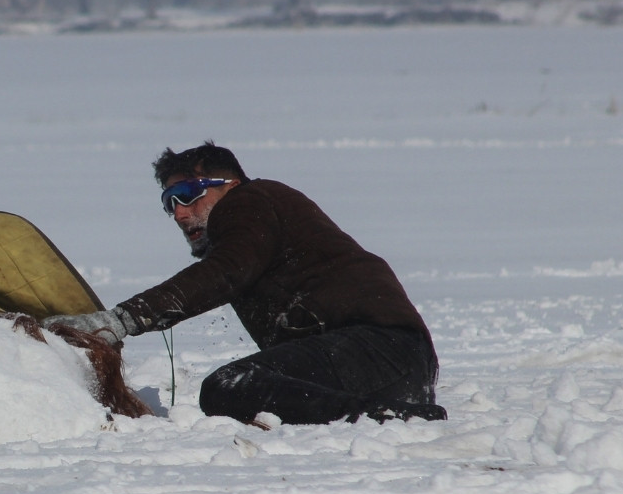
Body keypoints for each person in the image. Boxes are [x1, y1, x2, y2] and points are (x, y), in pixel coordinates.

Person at [46, 142, 444, 425]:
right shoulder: (256, 221)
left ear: (230, 184)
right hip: (389, 362)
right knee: (242, 388)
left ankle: (386, 419)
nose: (179, 214)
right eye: (169, 202)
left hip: (379, 345)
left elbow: (226, 273)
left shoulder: (250, 201)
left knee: (228, 388)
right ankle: (384, 413)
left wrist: (121, 320)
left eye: (188, 194)